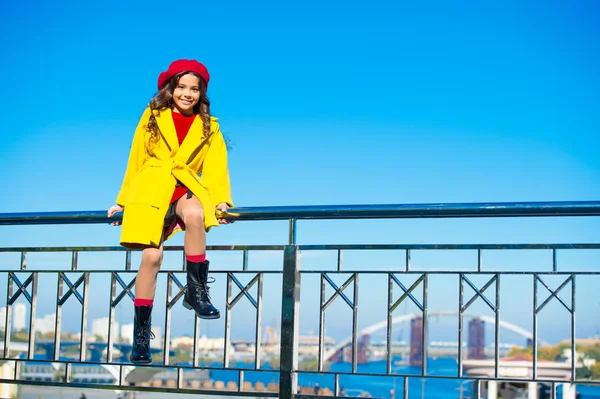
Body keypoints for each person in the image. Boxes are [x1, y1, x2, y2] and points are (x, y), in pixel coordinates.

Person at [107, 59, 234, 364]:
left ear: (201, 93)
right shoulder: (153, 116)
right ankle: (140, 338)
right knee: (152, 257)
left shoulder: (210, 126)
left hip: (184, 185)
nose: (187, 94)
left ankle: (196, 291)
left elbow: (216, 168)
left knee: (196, 214)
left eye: (194, 89)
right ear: (171, 88)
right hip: (150, 189)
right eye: (182, 87)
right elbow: (135, 156)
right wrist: (122, 202)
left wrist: (221, 201)